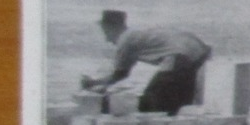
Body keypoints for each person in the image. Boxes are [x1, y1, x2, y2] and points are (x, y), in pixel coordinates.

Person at [82, 10, 212, 115]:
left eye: (105, 32)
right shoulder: (135, 34)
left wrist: (94, 83)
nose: (107, 39)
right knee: (179, 104)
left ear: (111, 27)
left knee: (151, 103)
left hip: (179, 55)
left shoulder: (125, 39)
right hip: (198, 51)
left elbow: (120, 74)